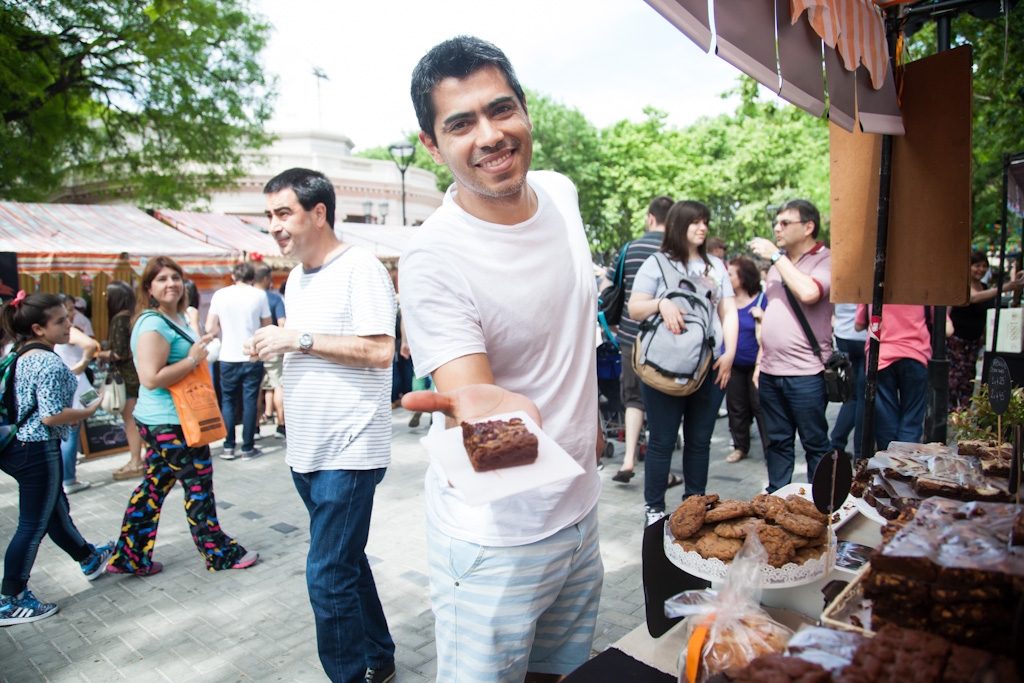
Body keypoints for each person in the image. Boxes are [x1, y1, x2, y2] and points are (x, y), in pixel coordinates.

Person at [399, 36, 604, 683]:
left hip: (583, 510)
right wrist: (491, 412)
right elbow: (479, 415)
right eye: (461, 123)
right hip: (497, 536)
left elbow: (572, 322)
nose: (490, 134)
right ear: (432, 146)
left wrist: (590, 427)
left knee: (562, 675)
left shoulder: (562, 194)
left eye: (501, 109)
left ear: (525, 111)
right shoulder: (433, 255)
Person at [249, 168, 397, 683]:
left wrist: (298, 338)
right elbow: (309, 345)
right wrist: (285, 341)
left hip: (350, 450)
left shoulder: (361, 268)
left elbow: (380, 352)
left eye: (283, 213)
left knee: (326, 574)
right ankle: (381, 656)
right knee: (347, 563)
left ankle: (349, 675)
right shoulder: (295, 277)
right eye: (269, 215)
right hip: (306, 450)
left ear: (318, 213)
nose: (274, 226)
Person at [106, 256, 257, 576]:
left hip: (174, 418)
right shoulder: (152, 322)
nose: (171, 283)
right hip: (169, 422)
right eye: (161, 279)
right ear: (148, 287)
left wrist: (196, 347)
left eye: (175, 277)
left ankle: (130, 556)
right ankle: (218, 553)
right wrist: (191, 359)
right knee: (198, 484)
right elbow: (150, 377)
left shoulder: (172, 318)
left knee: (154, 487)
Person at [0, 291, 112, 626]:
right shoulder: (47, 360)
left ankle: (89, 558)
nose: (69, 324)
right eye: (61, 320)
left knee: (54, 512)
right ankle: (11, 598)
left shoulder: (19, 353)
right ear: (38, 328)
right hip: (37, 448)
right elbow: (50, 416)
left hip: (18, 446)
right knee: (32, 525)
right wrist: (87, 410)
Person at [627, 200, 737, 524]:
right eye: (695, 222)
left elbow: (728, 312)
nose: (702, 228)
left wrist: (730, 352)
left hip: (710, 365)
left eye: (705, 221)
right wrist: (661, 303)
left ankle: (694, 504)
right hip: (665, 367)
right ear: (678, 225)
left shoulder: (716, 266)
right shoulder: (656, 262)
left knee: (699, 441)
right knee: (661, 440)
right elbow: (635, 308)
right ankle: (654, 509)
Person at [750, 199, 833, 493]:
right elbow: (772, 316)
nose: (777, 228)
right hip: (771, 372)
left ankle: (823, 508)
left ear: (808, 227)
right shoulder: (778, 265)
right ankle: (777, 502)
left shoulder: (825, 259)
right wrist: (760, 363)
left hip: (807, 373)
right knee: (777, 443)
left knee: (815, 443)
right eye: (777, 223)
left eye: (785, 223)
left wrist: (775, 257)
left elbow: (810, 292)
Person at [612, 195, 673, 484]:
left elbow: (611, 285)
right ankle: (662, 471)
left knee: (633, 399)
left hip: (629, 335)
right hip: (665, 340)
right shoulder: (677, 249)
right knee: (662, 403)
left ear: (650, 218)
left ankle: (627, 460)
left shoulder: (629, 248)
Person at [854, 304, 947, 450]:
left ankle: (889, 465)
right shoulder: (925, 288)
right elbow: (947, 328)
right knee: (912, 419)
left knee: (885, 422)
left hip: (880, 357)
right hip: (915, 355)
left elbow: (859, 325)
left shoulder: (872, 285)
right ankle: (905, 466)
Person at [206, 262, 271, 460]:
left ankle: (228, 445)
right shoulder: (259, 295)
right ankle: (247, 447)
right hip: (251, 354)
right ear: (252, 277)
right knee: (250, 400)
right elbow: (267, 325)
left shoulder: (220, 295)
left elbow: (210, 327)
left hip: (227, 355)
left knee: (228, 401)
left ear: (233, 276)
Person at [947, 251, 1024, 411]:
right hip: (957, 340)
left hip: (974, 341)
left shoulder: (985, 287)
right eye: (977, 265)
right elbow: (973, 298)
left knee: (969, 378)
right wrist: (1006, 287)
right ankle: (951, 411)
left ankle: (964, 412)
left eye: (984, 266)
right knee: (955, 378)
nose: (981, 269)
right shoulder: (961, 285)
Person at [98, 281, 146, 480]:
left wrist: (100, 354)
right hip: (137, 375)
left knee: (130, 421)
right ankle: (139, 458)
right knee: (136, 420)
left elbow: (118, 353)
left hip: (125, 377)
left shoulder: (120, 318)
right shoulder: (135, 317)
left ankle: (135, 461)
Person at [54, 295, 100, 495]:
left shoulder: (65, 331)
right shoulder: (68, 330)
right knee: (71, 432)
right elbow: (91, 345)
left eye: (72, 309)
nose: (72, 314)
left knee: (69, 431)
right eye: (68, 310)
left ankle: (67, 477)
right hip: (77, 386)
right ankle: (69, 478)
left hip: (75, 386)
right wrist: (80, 366)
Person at [724, 255, 768, 464]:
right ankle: (740, 446)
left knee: (760, 406)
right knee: (736, 407)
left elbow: (774, 328)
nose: (727, 277)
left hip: (758, 364)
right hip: (733, 364)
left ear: (743, 276)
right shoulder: (727, 301)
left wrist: (763, 317)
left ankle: (771, 449)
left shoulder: (762, 299)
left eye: (731, 273)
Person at [829, 303, 867, 458]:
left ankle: (836, 445)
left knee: (854, 396)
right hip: (862, 336)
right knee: (863, 398)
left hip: (843, 335)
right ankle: (861, 453)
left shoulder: (841, 279)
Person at [254, 264, 287, 439]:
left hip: (250, 350)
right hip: (271, 348)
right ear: (266, 279)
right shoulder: (274, 299)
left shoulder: (245, 296)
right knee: (277, 386)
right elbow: (282, 323)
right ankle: (281, 426)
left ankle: (254, 428)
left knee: (255, 389)